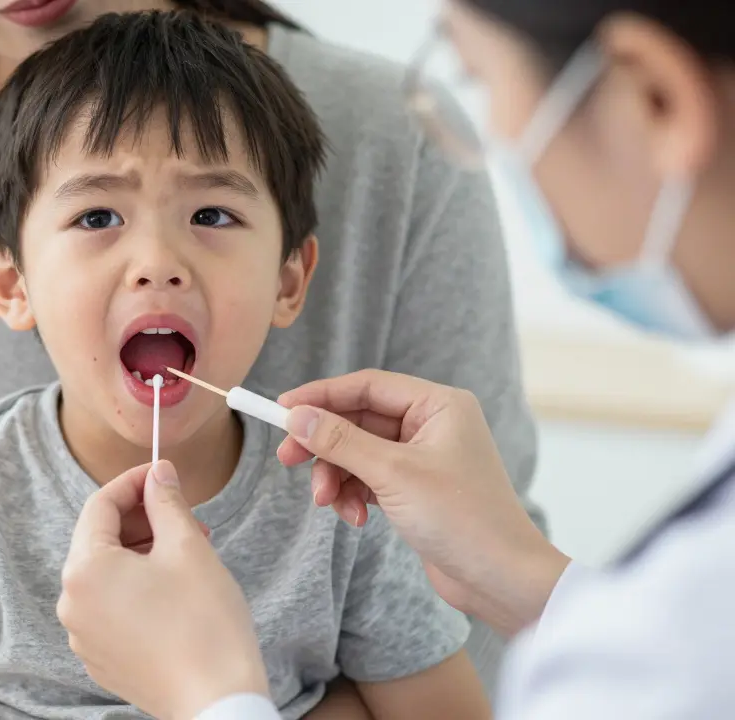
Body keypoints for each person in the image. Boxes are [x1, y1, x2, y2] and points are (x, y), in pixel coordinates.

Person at [0, 0, 543, 717]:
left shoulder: (348, 511)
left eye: (212, 215)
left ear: (293, 278)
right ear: (9, 281)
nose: (157, 261)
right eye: (98, 218)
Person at [56, 0, 735, 718]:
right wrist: (518, 572)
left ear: (656, 98)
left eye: (479, 78)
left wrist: (210, 695)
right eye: (97, 217)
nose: (157, 264)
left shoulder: (678, 640)